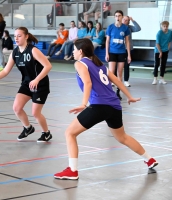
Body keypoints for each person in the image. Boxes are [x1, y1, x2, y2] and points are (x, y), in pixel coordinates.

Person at [54, 38, 158, 180]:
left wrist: (83, 104)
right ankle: (149, 159)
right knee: (123, 137)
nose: (72, 52)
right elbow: (116, 80)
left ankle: (72, 170)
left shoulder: (80, 63)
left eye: (73, 49)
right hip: (114, 106)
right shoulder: (99, 64)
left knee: (69, 133)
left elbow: (88, 83)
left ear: (80, 51)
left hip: (99, 106)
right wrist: (129, 96)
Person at [0, 27, 53, 142]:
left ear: (26, 36)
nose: (16, 38)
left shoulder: (33, 50)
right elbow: (6, 71)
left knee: (35, 113)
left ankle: (46, 133)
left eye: (19, 36)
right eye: (15, 36)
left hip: (40, 84)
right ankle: (28, 128)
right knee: (17, 108)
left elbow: (48, 66)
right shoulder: (15, 52)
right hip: (27, 83)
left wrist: (36, 80)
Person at [105, 10, 131, 100]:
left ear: (122, 17)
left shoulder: (125, 28)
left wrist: (129, 55)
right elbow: (107, 41)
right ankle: (109, 92)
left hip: (121, 52)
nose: (117, 17)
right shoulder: (110, 27)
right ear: (114, 17)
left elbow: (127, 42)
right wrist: (107, 53)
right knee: (111, 72)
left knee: (119, 73)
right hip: (112, 52)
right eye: (116, 16)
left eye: (119, 16)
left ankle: (118, 92)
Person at [122, 16, 141, 87]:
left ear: (128, 22)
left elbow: (138, 28)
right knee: (118, 65)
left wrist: (133, 20)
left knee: (127, 65)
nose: (124, 21)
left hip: (128, 49)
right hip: (119, 48)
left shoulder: (129, 28)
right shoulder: (118, 27)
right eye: (124, 19)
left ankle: (126, 80)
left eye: (126, 20)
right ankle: (115, 80)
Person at [152, 21, 172, 85]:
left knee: (163, 64)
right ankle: (155, 79)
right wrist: (160, 52)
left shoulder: (170, 32)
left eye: (166, 26)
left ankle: (162, 78)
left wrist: (167, 48)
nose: (165, 28)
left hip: (165, 50)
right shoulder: (159, 33)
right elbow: (157, 44)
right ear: (161, 26)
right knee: (157, 64)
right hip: (158, 50)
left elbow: (169, 41)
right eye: (164, 26)